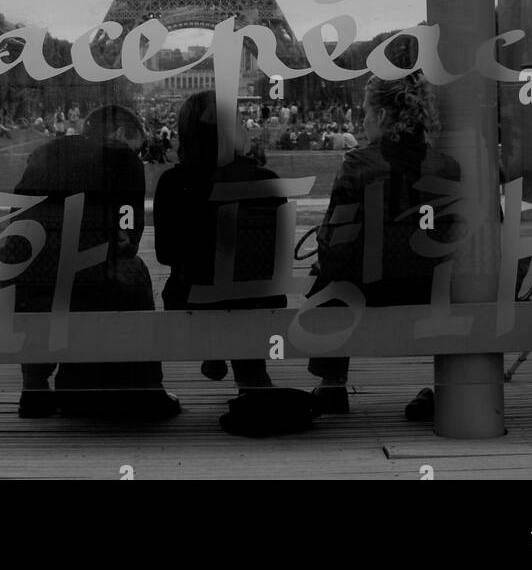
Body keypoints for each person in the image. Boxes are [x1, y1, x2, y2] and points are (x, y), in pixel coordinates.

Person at [0, 104, 179, 421]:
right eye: (139, 147)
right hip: (84, 282)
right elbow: (130, 235)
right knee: (133, 274)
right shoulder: (122, 157)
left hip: (19, 280)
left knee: (42, 279)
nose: (139, 155)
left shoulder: (45, 152)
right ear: (119, 135)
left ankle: (33, 388)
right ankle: (146, 387)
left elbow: (17, 218)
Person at [306, 73, 461, 421]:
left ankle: (332, 384)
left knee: (328, 280)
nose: (361, 120)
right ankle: (450, 387)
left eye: (364, 112)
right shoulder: (447, 167)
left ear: (380, 117)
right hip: (434, 290)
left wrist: (326, 263)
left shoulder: (358, 164)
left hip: (369, 290)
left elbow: (335, 240)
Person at [154, 90, 286, 403]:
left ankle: (216, 349)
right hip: (256, 302)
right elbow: (277, 257)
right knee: (242, 290)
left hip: (194, 298)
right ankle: (249, 374)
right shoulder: (267, 180)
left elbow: (165, 254)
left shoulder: (173, 184)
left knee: (206, 283)